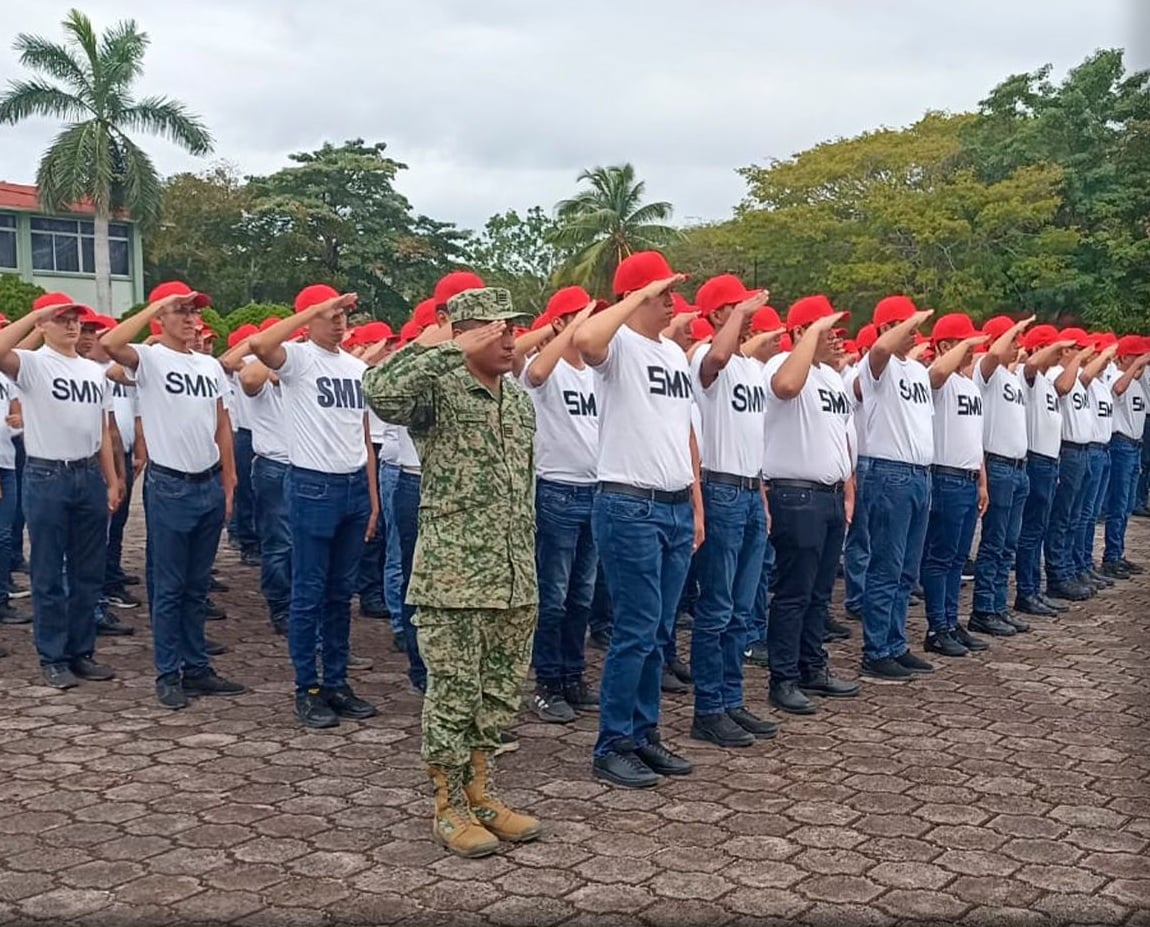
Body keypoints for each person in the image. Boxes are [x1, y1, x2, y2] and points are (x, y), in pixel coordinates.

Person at [364, 286, 539, 859]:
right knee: (454, 694)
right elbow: (381, 391)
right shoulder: (436, 390)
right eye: (494, 329)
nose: (508, 338)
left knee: (498, 695)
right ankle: (448, 806)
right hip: (454, 576)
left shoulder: (516, 402)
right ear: (463, 333)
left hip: (515, 574)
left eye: (511, 328)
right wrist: (446, 346)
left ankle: (482, 794)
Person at [573, 251, 704, 790]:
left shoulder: (672, 353)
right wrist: (630, 296)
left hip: (673, 505)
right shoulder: (619, 345)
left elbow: (684, 433)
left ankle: (645, 734)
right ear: (635, 298)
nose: (671, 299)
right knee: (634, 630)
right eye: (660, 291)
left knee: (657, 631)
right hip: (629, 505)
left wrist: (696, 506)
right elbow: (585, 341)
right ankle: (613, 743)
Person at [103, 281, 245, 709]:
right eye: (179, 311)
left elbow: (221, 423)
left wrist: (230, 479)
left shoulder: (209, 366)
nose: (189, 318)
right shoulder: (148, 358)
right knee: (169, 586)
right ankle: (169, 672)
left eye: (192, 311)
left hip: (207, 482)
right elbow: (111, 342)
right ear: (161, 317)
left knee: (198, 586)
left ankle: (197, 666)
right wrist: (154, 309)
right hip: (170, 485)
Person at [249, 285, 380, 729]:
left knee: (341, 594)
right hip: (312, 485)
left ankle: (337, 681)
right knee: (308, 593)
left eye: (343, 313)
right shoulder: (299, 358)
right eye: (330, 313)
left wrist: (373, 497)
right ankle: (307, 687)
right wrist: (309, 312)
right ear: (309, 318)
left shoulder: (357, 367)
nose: (339, 320)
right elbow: (259, 346)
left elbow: (363, 434)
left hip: (352, 487)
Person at [0, 293, 122, 688]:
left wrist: (112, 478)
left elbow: (102, 430)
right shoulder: (33, 363)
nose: (71, 325)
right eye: (62, 318)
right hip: (46, 475)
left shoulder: (93, 371)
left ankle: (80, 650)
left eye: (75, 319)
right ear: (43, 326)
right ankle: (52, 656)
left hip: (87, 475)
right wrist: (36, 313)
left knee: (88, 572)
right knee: (48, 572)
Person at [686, 274, 776, 745]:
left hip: (747, 489)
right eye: (736, 308)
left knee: (742, 608)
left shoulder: (753, 368)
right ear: (718, 314)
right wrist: (739, 314)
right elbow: (716, 358)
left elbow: (753, 438)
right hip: (719, 488)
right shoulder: (705, 354)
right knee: (717, 606)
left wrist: (761, 495)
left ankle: (732, 699)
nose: (748, 316)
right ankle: (708, 707)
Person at [762, 296, 860, 714]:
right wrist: (806, 338)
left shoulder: (831, 379)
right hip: (795, 494)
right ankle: (783, 678)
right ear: (802, 333)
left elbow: (841, 434)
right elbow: (785, 387)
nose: (835, 338)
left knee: (820, 593)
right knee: (793, 593)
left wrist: (848, 485)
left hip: (830, 494)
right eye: (826, 330)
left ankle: (811, 665)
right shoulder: (780, 366)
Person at [521, 287, 603, 724]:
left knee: (582, 595)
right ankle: (547, 681)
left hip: (594, 491)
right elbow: (533, 373)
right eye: (579, 317)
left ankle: (573, 674)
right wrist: (565, 327)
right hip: (556, 490)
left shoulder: (594, 372)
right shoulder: (548, 370)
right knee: (552, 596)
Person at [853, 296, 936, 679]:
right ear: (886, 328)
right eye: (903, 323)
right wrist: (908, 322)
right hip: (890, 474)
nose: (914, 330)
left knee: (906, 570)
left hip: (919, 474)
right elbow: (881, 349)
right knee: (885, 567)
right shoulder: (876, 368)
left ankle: (896, 642)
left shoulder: (917, 370)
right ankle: (876, 650)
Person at [918, 314, 990, 657]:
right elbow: (935, 374)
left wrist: (982, 481)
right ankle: (937, 625)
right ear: (946, 346)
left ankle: (951, 619)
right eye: (964, 344)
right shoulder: (940, 380)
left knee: (958, 559)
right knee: (941, 556)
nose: (971, 351)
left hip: (966, 477)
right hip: (945, 477)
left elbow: (975, 442)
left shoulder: (970, 384)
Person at [969, 315, 1035, 636]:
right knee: (994, 543)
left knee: (1009, 543)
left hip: (1018, 468)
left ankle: (998, 605)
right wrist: (1012, 328)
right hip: (998, 466)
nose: (1019, 345)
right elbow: (993, 354)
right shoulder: (988, 373)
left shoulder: (1013, 379)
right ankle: (983, 608)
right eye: (1013, 340)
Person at [1013, 326, 1077, 616]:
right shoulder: (1030, 377)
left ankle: (1034, 589)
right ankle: (1026, 592)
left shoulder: (1045, 381)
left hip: (1050, 461)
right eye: (1056, 349)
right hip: (1036, 461)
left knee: (1038, 531)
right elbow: (1031, 364)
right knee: (1030, 532)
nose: (1062, 354)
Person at [1101, 337, 1150, 577]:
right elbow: (1118, 389)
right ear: (1124, 358)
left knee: (1127, 504)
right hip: (1121, 444)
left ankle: (1118, 552)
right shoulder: (1116, 377)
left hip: (1135, 445)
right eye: (1136, 356)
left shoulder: (1138, 382)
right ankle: (1111, 556)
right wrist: (1135, 366)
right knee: (1118, 504)